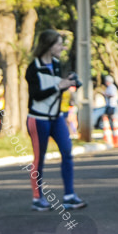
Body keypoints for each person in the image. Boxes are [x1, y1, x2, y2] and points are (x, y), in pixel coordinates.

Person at [25, 30, 87, 211]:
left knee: (67, 152)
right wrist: (58, 86)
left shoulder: (57, 64)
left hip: (57, 117)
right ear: (49, 46)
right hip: (38, 119)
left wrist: (68, 83)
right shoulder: (33, 67)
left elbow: (57, 90)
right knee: (39, 158)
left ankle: (69, 195)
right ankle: (37, 198)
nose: (62, 47)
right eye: (59, 44)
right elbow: (36, 95)